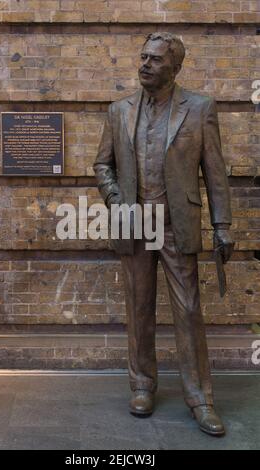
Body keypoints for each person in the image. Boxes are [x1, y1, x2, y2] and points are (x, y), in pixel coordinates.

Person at [93, 32, 234, 436]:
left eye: (154, 60)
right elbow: (102, 166)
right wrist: (117, 199)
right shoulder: (118, 111)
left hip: (177, 224)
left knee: (188, 311)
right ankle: (141, 386)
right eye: (143, 57)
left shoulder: (200, 109)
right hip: (135, 224)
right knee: (139, 308)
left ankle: (201, 398)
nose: (145, 65)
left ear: (175, 67)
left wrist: (222, 224)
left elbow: (215, 172)